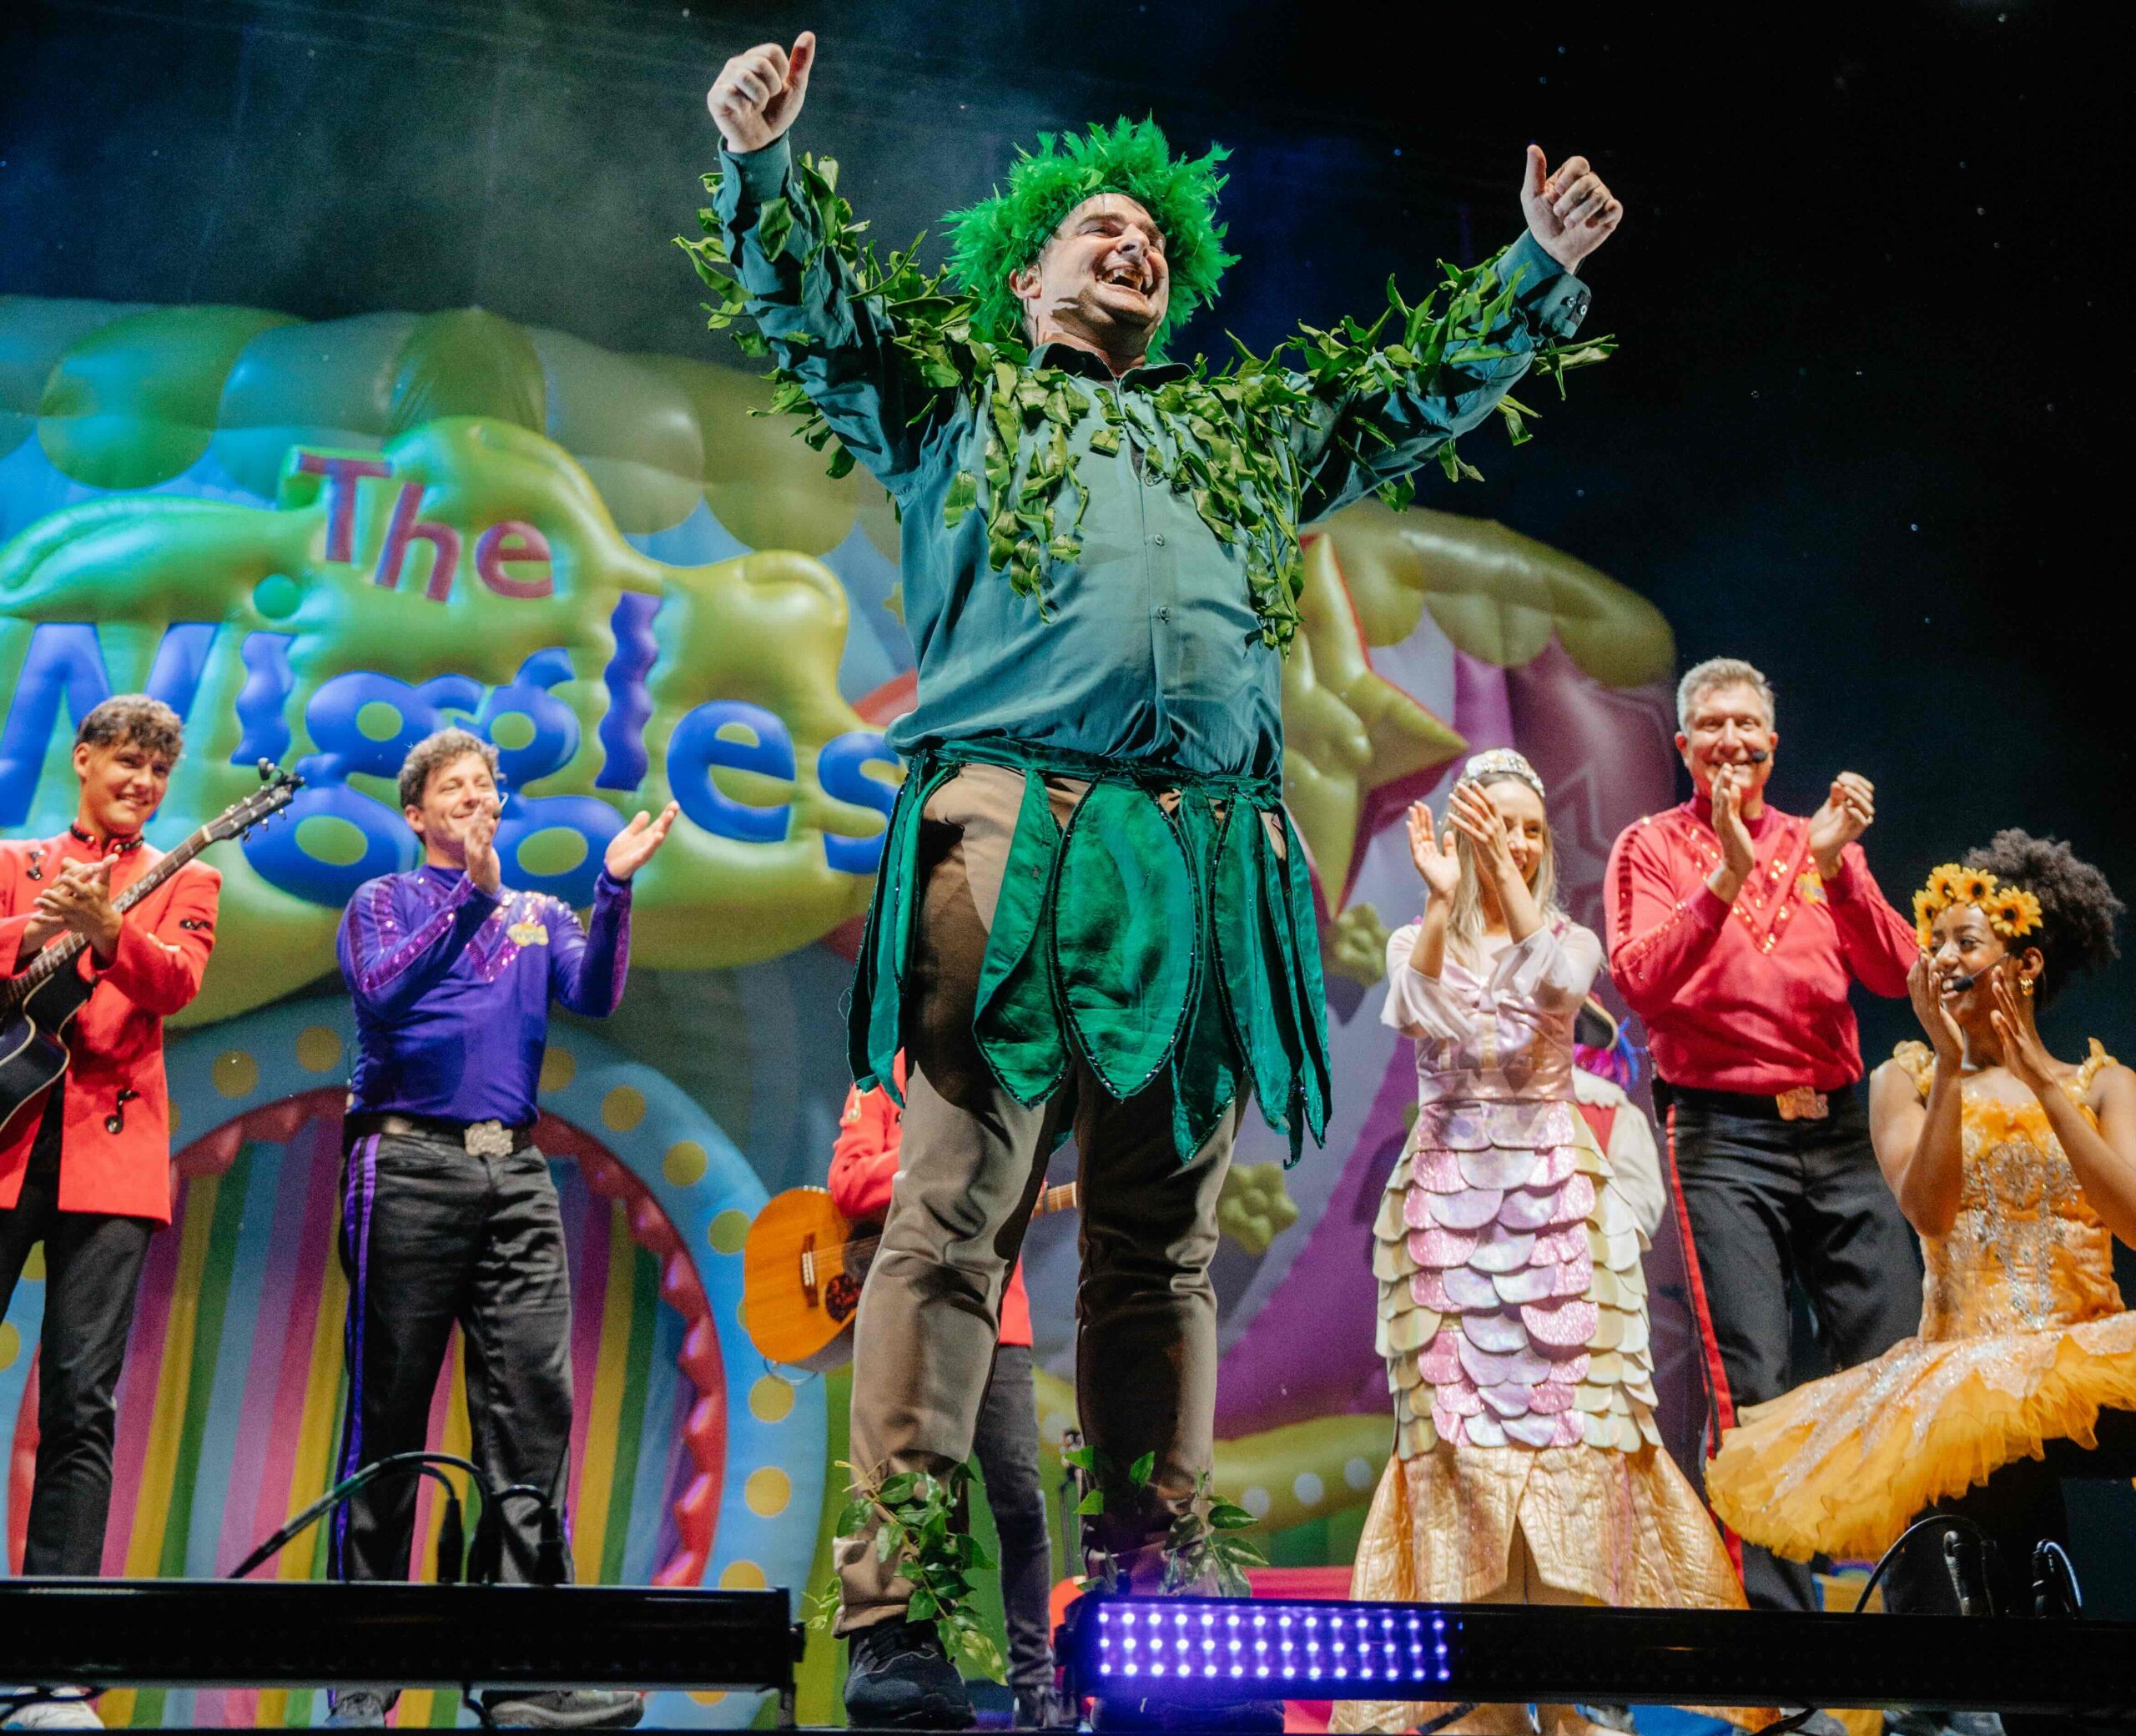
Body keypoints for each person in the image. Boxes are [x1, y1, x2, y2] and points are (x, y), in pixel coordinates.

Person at [697, 33, 1620, 1729]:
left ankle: (1149, 1593)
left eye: (1153, 237)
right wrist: (757, 165)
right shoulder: (952, 398)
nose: (1130, 243)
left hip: (1200, 852)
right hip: (1015, 821)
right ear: (1027, 267)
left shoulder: (1240, 439)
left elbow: (1399, 390)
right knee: (950, 1214)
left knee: (1159, 1250)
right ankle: (900, 1611)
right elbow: (813, 312)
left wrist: (1534, 269)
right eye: (1096, 227)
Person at [1336, 751, 1744, 1736]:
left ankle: (1580, 1703)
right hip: (1449, 1218)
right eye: (1498, 824)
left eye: (1530, 828)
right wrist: (1439, 902)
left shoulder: (1560, 933)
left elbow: (1558, 983)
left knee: (1583, 1441)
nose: (1514, 840)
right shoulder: (1412, 937)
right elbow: (1416, 1009)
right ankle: (1473, 1712)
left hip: (1555, 1205)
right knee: (1461, 1454)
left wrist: (1511, 892)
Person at [323, 728, 675, 1732]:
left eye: (487, 784)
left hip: (514, 1170)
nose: (476, 798)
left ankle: (522, 1671)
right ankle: (362, 1677)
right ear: (417, 814)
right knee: (389, 1414)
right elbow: (383, 994)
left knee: (531, 1414)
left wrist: (611, 889)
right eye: (455, 788)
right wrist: (471, 895)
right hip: (406, 1163)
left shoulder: (538, 913)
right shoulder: (382, 903)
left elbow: (594, 990)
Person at [1708, 833, 2136, 1634]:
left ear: (2026, 965)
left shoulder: (2105, 1084)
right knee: (1991, 1476)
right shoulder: (1902, 1080)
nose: (1939, 956)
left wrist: (2046, 1084)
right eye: (1932, 941)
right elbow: (1929, 1211)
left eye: (1963, 942)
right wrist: (1946, 1063)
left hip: (2084, 1351)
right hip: (1965, 1362)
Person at [1603, 657, 1922, 1612]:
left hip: (1836, 1128)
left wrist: (1834, 868)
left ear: (1773, 746)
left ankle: (1921, 1644)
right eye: (1713, 726)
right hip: (1722, 1134)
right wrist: (1728, 875)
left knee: (1891, 1365)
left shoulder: (1814, 838)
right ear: (1684, 747)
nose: (1733, 741)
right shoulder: (1651, 845)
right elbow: (1639, 979)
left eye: (1749, 726)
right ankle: (1783, 1661)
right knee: (1755, 1383)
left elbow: (1898, 968)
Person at [0, 696, 219, 1732]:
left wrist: (110, 930)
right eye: (125, 762)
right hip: (6, 1147)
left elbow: (174, 984)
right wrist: (32, 929)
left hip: (112, 1158)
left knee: (81, 1403)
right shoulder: (16, 860)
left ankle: (49, 1660)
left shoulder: (191, 876)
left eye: (156, 772)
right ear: (83, 759)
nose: (140, 782)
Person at [828, 1053, 1071, 1731]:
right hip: (918, 1314)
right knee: (932, 1498)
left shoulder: (1005, 1064)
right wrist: (931, 1158)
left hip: (1002, 1318)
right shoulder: (880, 1073)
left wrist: (936, 1162)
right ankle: (926, 1667)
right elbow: (847, 1182)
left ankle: (1034, 1685)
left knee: (1019, 1498)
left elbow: (1027, 1173)